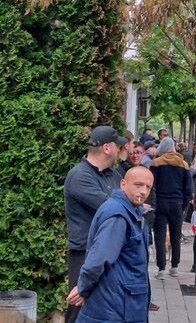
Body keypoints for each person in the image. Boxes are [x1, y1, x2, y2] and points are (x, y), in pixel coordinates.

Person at [66, 167, 154, 323]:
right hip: (116, 304)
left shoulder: (130, 211)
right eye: (138, 185)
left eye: (148, 187)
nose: (143, 191)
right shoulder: (118, 215)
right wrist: (83, 286)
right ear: (123, 184)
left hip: (119, 301)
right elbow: (100, 256)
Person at [63, 125, 127, 323]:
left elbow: (128, 204)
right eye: (118, 146)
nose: (121, 150)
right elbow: (112, 207)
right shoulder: (79, 176)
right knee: (78, 306)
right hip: (85, 254)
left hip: (110, 253)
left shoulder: (114, 175)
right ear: (107, 148)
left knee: (107, 307)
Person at [150, 137, 193, 279]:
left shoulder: (156, 163)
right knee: (176, 235)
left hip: (160, 203)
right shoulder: (184, 164)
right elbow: (188, 189)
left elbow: (151, 185)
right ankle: (175, 267)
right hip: (177, 204)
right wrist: (183, 205)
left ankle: (161, 269)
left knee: (160, 236)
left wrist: (153, 203)